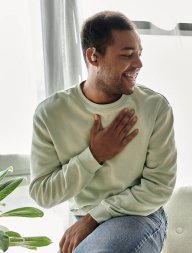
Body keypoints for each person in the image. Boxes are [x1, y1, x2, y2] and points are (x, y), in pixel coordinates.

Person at [29, 11, 177, 253]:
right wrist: (94, 156)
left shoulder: (154, 107)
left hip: (141, 216)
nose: (139, 64)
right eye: (128, 55)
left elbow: (159, 188)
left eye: (139, 54)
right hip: (85, 223)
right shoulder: (51, 114)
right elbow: (43, 193)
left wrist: (94, 217)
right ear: (94, 56)